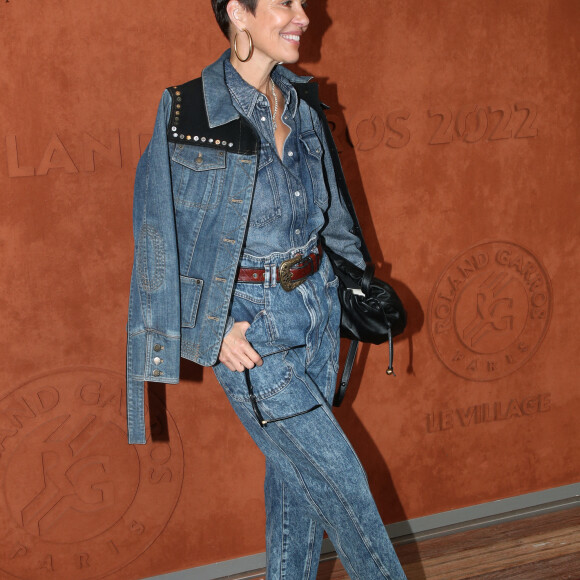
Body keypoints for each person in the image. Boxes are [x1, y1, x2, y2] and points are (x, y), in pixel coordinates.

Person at [126, 0, 407, 577]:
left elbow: (330, 217)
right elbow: (157, 234)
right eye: (286, 2)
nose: (304, 15)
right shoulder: (189, 110)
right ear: (239, 12)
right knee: (343, 484)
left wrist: (352, 290)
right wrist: (211, 328)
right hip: (252, 328)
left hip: (317, 312)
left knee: (297, 487)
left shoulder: (301, 102)